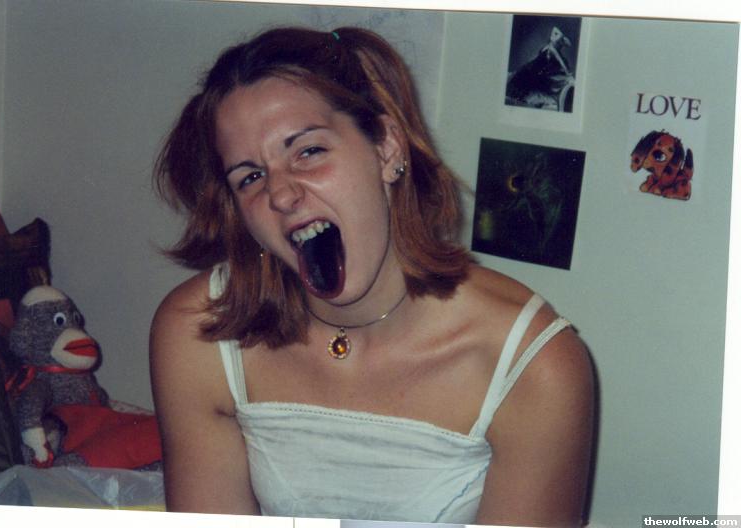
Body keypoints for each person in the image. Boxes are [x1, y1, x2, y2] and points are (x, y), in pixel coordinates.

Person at [150, 26, 594, 526]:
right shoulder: (199, 332)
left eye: (308, 151)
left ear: (386, 149)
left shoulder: (532, 365)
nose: (281, 194)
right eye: (250, 177)